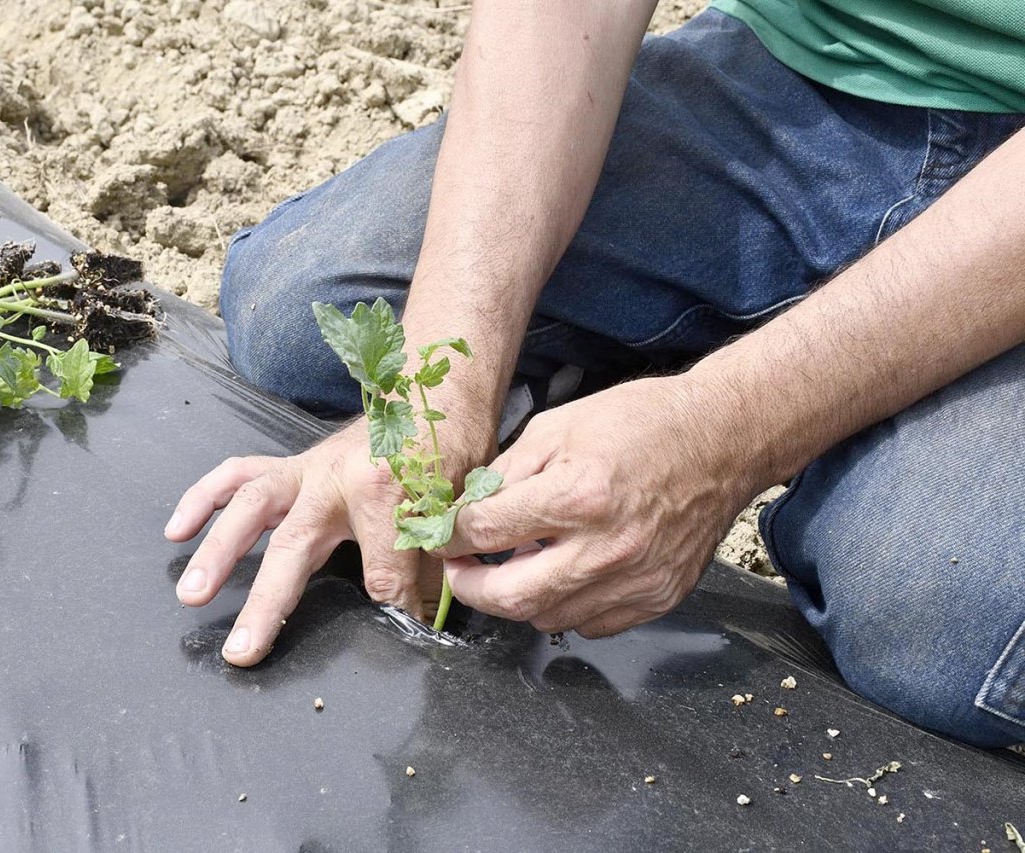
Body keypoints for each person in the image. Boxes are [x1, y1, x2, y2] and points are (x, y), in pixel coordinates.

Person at [163, 0, 1025, 748]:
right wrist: (441, 382)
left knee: (930, 619)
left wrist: (719, 437)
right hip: (823, 68)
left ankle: (858, 444)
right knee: (303, 312)